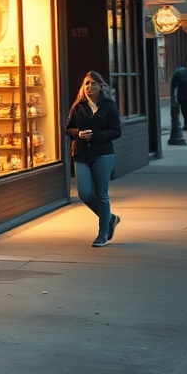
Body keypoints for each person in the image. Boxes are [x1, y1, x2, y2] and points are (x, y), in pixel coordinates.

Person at [66, 71, 122, 248]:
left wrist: (95, 135)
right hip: (81, 154)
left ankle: (103, 233)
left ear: (101, 86)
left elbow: (116, 131)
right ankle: (110, 218)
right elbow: (68, 129)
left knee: (101, 194)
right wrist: (78, 133)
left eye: (93, 83)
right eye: (87, 83)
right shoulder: (78, 106)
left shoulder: (109, 106)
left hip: (102, 154)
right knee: (84, 193)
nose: (89, 87)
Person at [170, 63, 187, 129]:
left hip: (183, 96)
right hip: (183, 96)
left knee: (185, 111)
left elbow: (173, 84)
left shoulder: (179, 73)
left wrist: (173, 97)